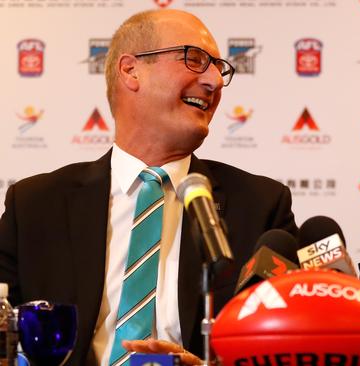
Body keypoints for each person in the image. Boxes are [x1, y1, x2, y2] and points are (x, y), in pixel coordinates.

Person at [0, 9, 297, 365]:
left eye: (220, 68)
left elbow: (285, 345)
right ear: (131, 70)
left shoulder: (261, 205)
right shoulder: (35, 205)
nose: (215, 81)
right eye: (196, 59)